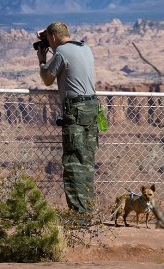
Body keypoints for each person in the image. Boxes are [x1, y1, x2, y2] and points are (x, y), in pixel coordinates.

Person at [36, 21, 99, 214]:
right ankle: (88, 211)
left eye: (49, 39)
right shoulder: (84, 47)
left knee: (73, 164)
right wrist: (46, 35)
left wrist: (41, 58)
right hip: (92, 108)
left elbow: (47, 79)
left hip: (76, 111)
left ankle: (79, 215)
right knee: (86, 161)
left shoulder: (61, 53)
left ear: (53, 38)